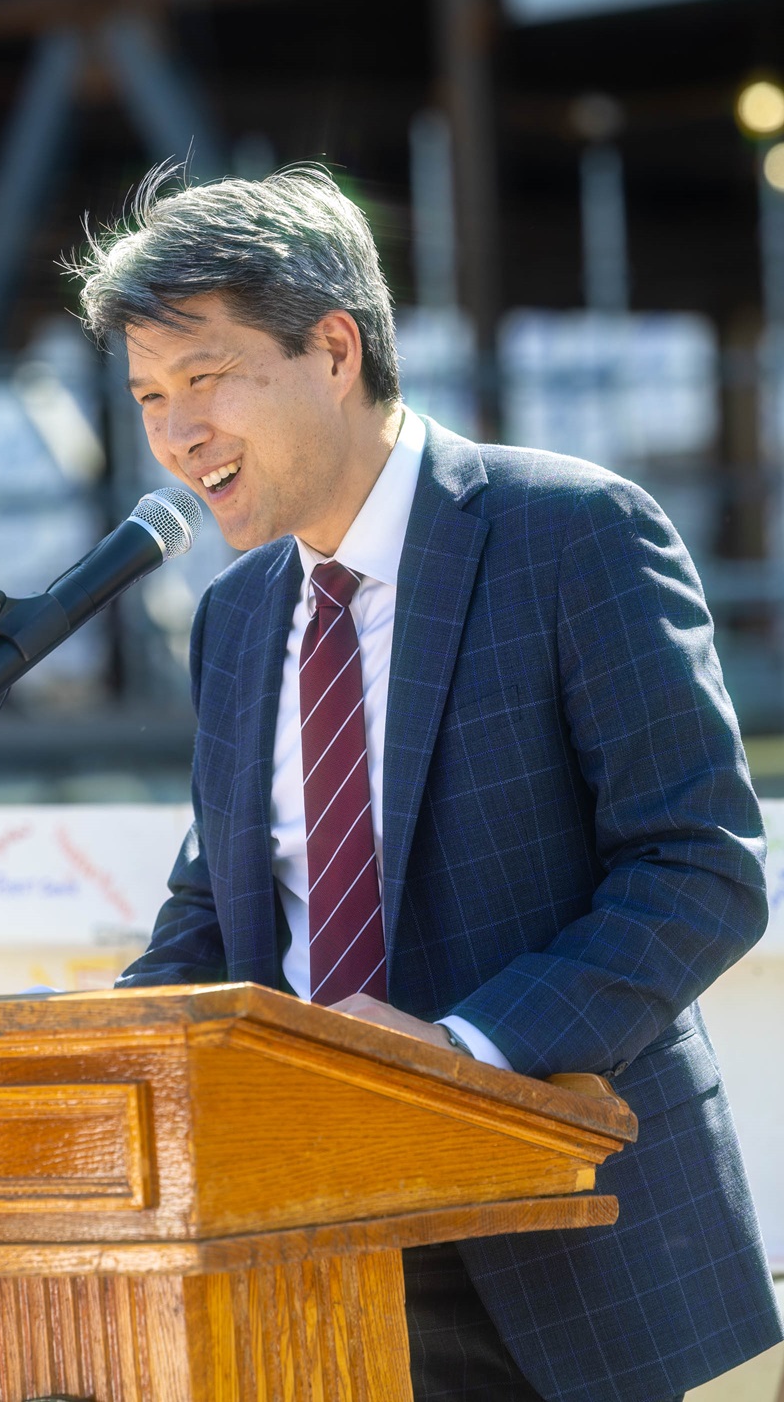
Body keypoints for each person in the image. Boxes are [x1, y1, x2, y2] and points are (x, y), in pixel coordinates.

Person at [77, 166, 783, 1402]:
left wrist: (456, 1054)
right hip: (306, 1236)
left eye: (204, 379)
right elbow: (220, 918)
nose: (176, 433)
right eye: (147, 396)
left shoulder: (573, 532)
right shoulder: (236, 617)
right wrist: (98, 1061)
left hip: (563, 1235)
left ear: (334, 348)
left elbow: (701, 868)